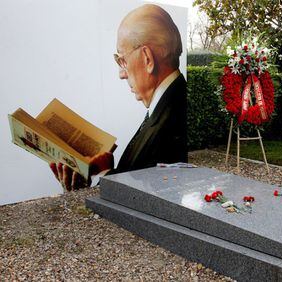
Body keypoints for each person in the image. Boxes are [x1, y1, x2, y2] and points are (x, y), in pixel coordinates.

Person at [50, 4, 187, 190]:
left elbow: (149, 198)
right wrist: (111, 171)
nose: (121, 74)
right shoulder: (170, 101)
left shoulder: (171, 118)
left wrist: (105, 174)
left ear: (147, 59)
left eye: (122, 60)